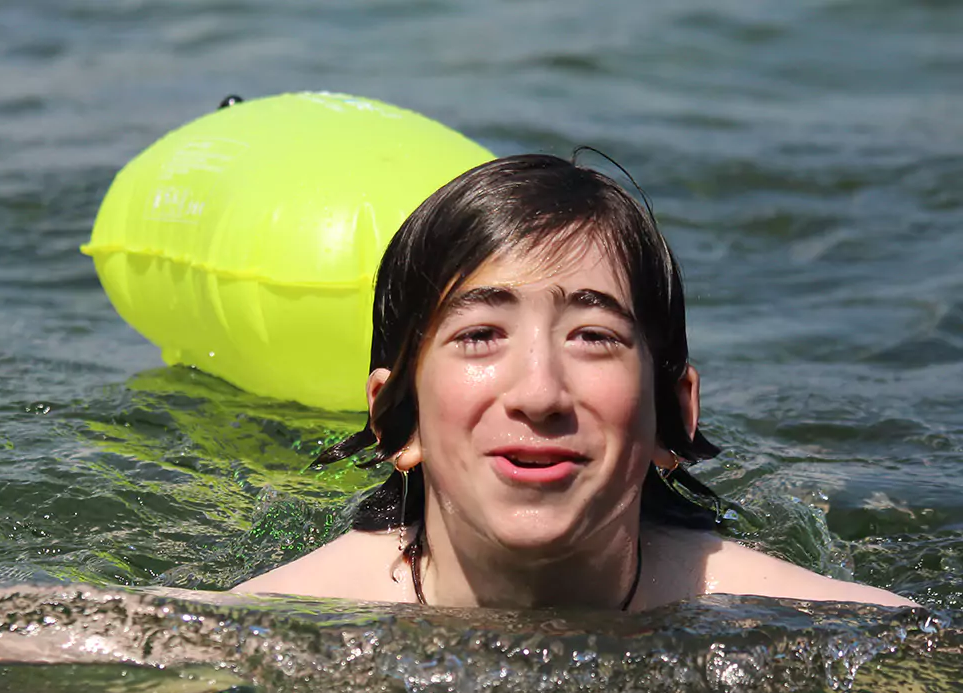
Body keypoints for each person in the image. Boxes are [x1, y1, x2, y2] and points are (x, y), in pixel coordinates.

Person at [236, 154, 911, 610]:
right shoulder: (261, 632)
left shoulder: (824, 632)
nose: (539, 393)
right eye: (480, 336)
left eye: (593, 337)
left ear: (674, 417)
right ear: (395, 424)